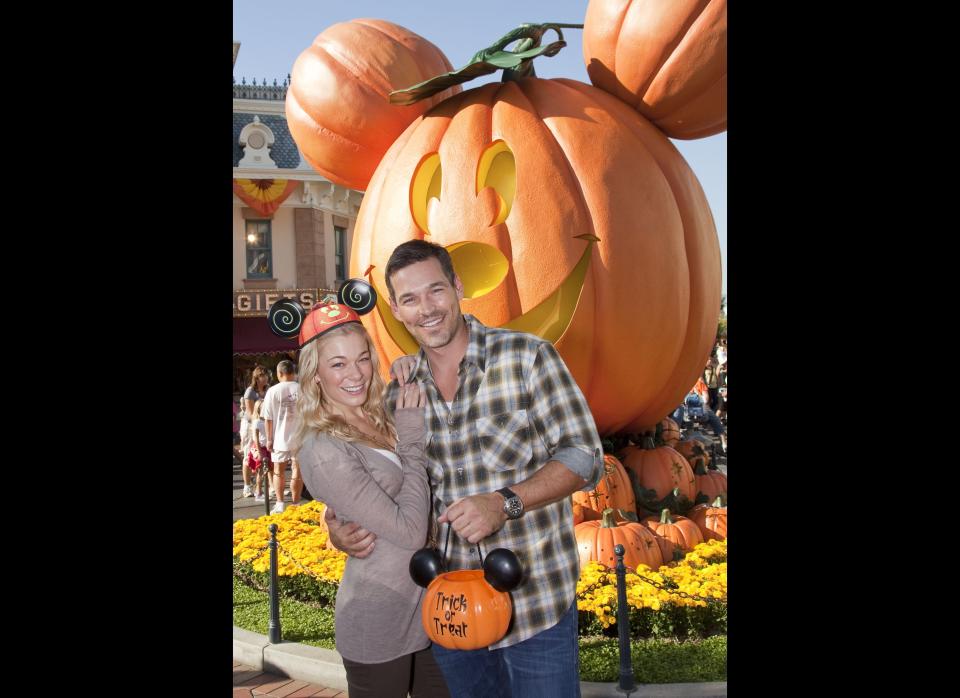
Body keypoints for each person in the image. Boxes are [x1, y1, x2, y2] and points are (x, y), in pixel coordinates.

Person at [326, 240, 604, 697]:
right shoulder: (398, 394)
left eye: (435, 291)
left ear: (457, 287)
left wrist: (505, 502)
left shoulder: (527, 358)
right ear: (395, 309)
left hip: (535, 607)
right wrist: (335, 524)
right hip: (449, 614)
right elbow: (372, 481)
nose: (426, 309)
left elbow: (584, 456)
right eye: (410, 300)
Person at [290, 300, 450, 698]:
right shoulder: (322, 447)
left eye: (362, 359)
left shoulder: (375, 412)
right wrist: (411, 441)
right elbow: (411, 532)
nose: (356, 374)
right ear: (315, 375)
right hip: (379, 615)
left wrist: (407, 368)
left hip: (427, 604)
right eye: (338, 364)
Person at [261, 360, 302, 513]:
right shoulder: (302, 388)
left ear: (279, 373)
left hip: (280, 438)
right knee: (297, 471)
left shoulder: (272, 391)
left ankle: (279, 503)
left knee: (278, 470)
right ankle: (296, 503)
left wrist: (269, 439)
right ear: (293, 372)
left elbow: (268, 418)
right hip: (301, 437)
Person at [240, 366, 270, 497]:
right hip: (251, 425)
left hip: (263, 425)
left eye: (267, 375)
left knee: (265, 456)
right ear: (257, 377)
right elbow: (251, 413)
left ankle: (268, 486)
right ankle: (247, 486)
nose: (266, 378)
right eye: (263, 375)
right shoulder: (250, 391)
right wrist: (258, 428)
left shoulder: (268, 390)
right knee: (249, 454)